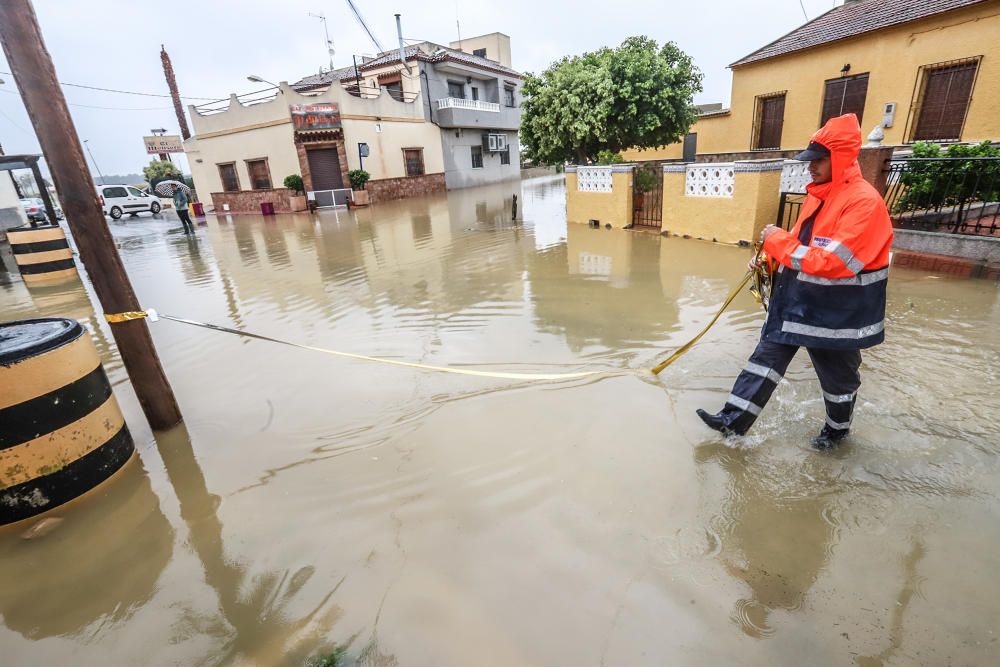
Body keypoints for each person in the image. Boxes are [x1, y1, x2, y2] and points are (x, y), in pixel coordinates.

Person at [696, 113, 893, 449]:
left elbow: (831, 262)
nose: (810, 167)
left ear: (841, 159)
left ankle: (836, 433)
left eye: (818, 160)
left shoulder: (864, 203)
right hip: (799, 302)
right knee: (765, 359)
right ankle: (732, 421)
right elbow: (803, 242)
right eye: (809, 160)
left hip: (837, 316)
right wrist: (767, 257)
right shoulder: (820, 194)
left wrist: (775, 241)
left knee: (839, 381)